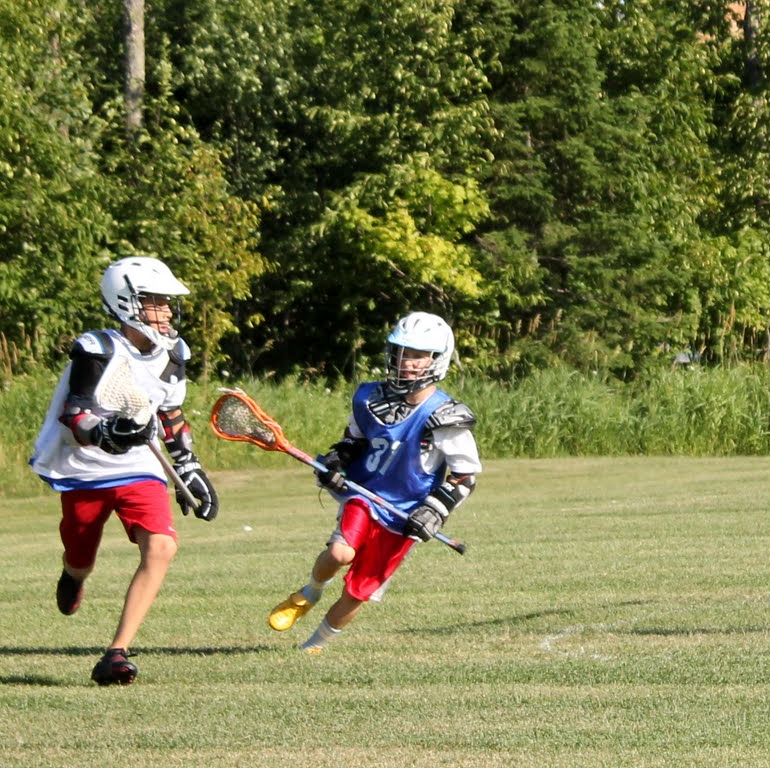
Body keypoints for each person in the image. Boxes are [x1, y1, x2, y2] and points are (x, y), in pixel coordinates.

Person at [30, 256, 219, 685]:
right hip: (86, 469)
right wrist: (105, 433)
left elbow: (170, 412)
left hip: (139, 466)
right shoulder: (97, 349)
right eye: (156, 301)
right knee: (81, 558)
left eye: (167, 302)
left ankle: (116, 652)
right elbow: (75, 415)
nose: (167, 310)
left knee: (162, 547)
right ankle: (74, 574)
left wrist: (188, 465)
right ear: (126, 302)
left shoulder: (174, 353)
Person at [267, 312, 480, 652]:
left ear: (437, 360)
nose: (406, 362)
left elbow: (465, 475)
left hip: (405, 513)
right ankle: (309, 593)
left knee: (357, 592)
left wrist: (434, 511)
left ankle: (314, 645)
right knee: (339, 552)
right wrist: (337, 461)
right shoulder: (370, 398)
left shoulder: (445, 415)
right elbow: (354, 440)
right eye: (401, 353)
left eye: (417, 356)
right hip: (365, 494)